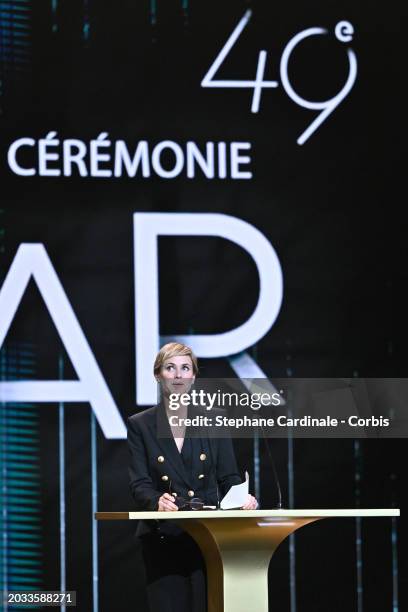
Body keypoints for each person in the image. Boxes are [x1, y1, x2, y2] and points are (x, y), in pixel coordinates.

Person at [128, 342, 257, 612]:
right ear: (157, 375)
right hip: (162, 538)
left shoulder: (214, 420)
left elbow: (229, 478)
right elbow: (140, 484)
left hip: (208, 537)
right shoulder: (141, 425)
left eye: (185, 368)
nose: (177, 375)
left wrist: (243, 498)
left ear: (193, 376)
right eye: (170, 368)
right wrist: (156, 502)